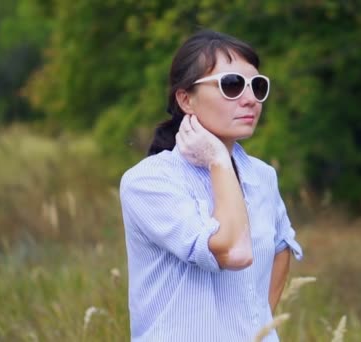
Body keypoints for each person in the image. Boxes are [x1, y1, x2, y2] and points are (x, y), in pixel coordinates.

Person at [119, 29, 303, 342]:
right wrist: (217, 160)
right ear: (185, 98)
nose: (250, 99)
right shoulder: (148, 182)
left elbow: (281, 248)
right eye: (231, 85)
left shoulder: (262, 176)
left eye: (257, 86)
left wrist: (259, 328)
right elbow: (233, 251)